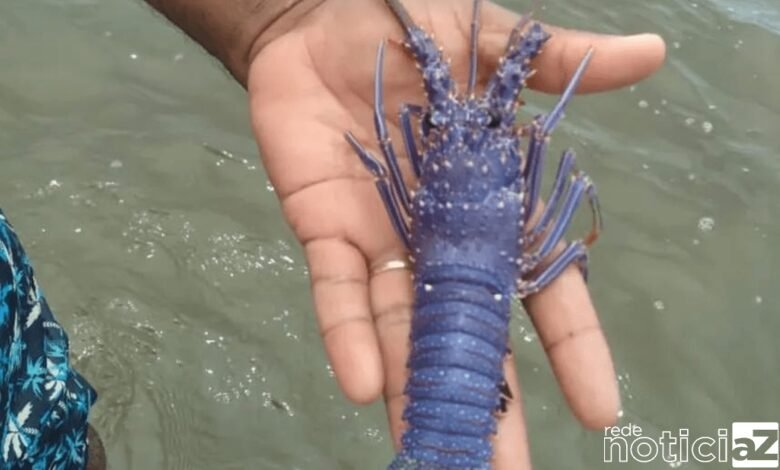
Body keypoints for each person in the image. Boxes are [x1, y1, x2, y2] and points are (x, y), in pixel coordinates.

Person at [0, 0, 665, 468]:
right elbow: (565, 189)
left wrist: (285, 10)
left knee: (51, 442)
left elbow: (387, 165)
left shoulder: (407, 181)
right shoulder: (514, 175)